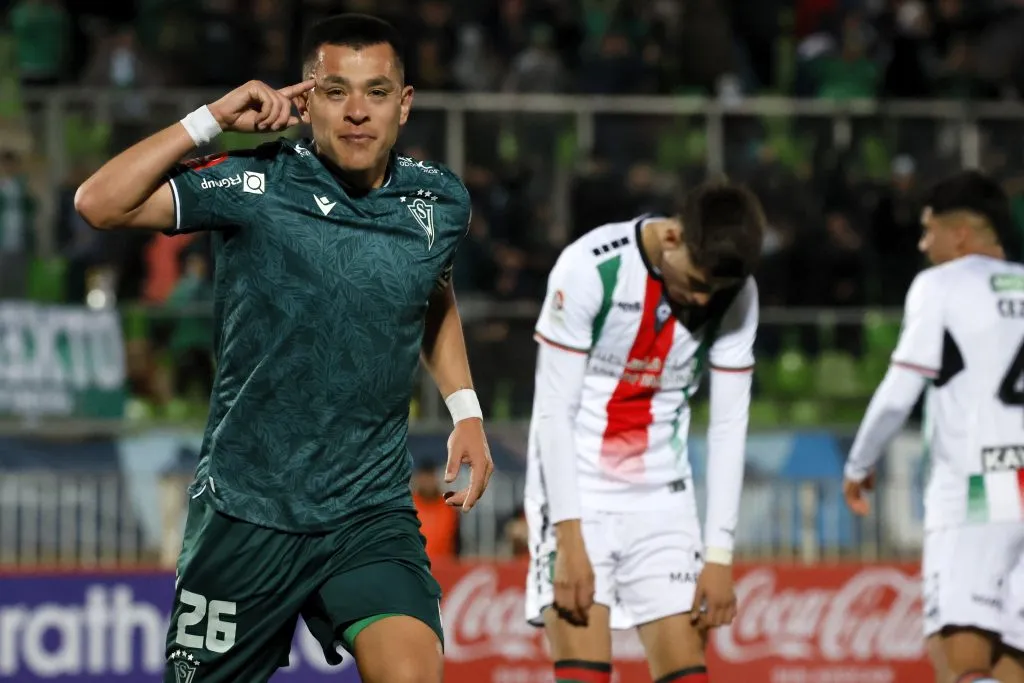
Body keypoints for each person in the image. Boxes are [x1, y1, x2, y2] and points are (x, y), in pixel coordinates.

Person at [74, 14, 494, 683]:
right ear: (305, 100)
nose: (357, 111)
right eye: (335, 91)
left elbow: (430, 292)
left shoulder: (438, 201)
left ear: (404, 104)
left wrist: (465, 409)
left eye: (377, 92)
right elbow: (100, 203)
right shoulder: (255, 184)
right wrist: (213, 117)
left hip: (368, 510)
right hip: (247, 511)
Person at [524, 181, 766, 683]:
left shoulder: (737, 293)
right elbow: (553, 412)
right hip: (579, 494)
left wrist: (719, 555)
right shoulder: (591, 267)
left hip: (663, 502)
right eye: (697, 283)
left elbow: (727, 428)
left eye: (712, 293)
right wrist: (569, 540)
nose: (702, 300)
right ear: (674, 238)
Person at [843, 170, 1024, 683]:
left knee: (959, 662)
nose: (923, 245)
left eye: (928, 231)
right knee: (1013, 662)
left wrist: (859, 462)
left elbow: (901, 390)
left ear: (961, 232)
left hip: (976, 491)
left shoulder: (940, 285)